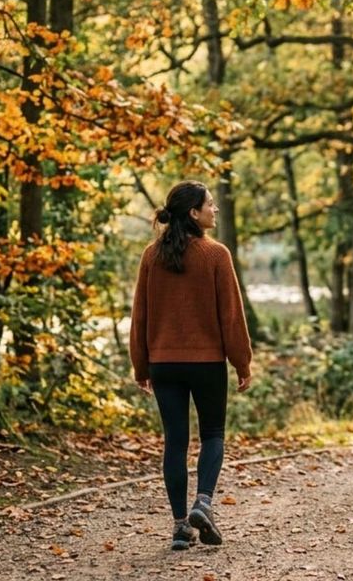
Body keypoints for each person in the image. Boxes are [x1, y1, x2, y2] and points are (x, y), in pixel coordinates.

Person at [128, 180, 254, 550]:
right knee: (213, 434)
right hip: (206, 363)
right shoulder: (216, 255)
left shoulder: (152, 256)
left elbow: (141, 316)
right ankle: (204, 502)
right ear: (193, 213)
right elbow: (231, 317)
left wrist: (141, 365)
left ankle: (181, 526)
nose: (215, 209)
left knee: (175, 442)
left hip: (164, 363)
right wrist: (242, 362)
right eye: (209, 205)